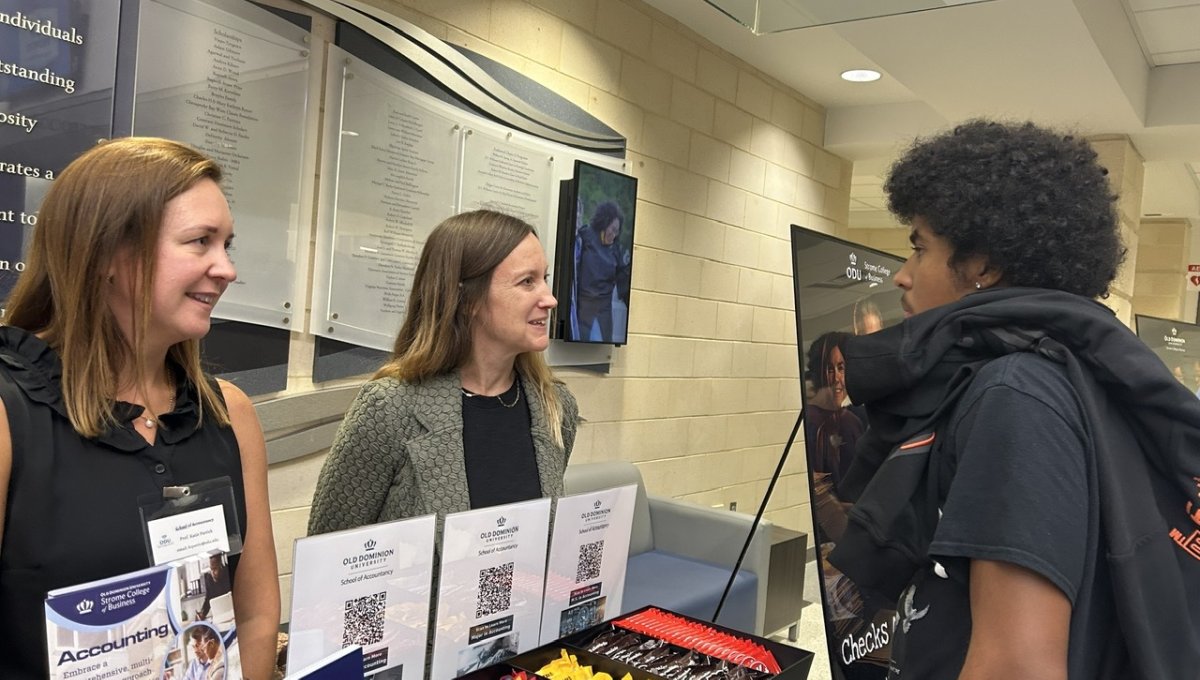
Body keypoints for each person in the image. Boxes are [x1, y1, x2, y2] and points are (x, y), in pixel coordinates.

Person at [829, 120, 1200, 679]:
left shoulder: (1016, 392)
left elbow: (1018, 666)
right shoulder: (1073, 370)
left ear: (982, 266)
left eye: (919, 248)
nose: (902, 276)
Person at [0, 138, 279, 679]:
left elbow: (255, 612)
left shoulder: (229, 414)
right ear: (107, 255)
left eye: (227, 245)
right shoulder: (12, 411)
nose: (226, 269)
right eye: (200, 242)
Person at [308, 209, 580, 531]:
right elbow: (327, 548)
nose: (550, 299)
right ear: (467, 299)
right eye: (527, 282)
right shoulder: (391, 409)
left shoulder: (554, 407)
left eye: (544, 279)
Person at [573, 200, 630, 343]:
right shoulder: (586, 236)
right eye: (612, 229)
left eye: (617, 231)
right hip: (585, 305)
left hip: (604, 308)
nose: (614, 234)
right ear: (604, 224)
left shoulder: (617, 251)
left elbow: (624, 282)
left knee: (605, 345)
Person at [198, 553, 232, 621]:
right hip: (219, 616)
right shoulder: (209, 579)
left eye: (215, 569)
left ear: (221, 566)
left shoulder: (228, 573)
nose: (212, 573)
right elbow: (208, 599)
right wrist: (202, 613)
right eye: (211, 569)